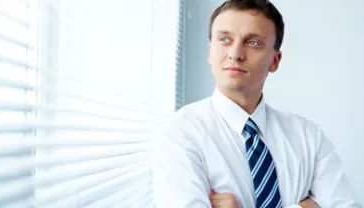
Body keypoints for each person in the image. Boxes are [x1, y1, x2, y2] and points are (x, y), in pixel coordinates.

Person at [151, 0, 362, 207]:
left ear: (275, 61)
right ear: (210, 51)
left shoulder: (309, 137)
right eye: (225, 39)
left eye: (253, 43)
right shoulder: (181, 134)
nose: (235, 54)